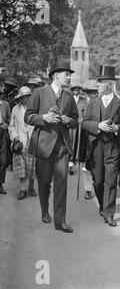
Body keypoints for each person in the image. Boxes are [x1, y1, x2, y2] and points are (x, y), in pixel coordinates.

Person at [24, 61, 79, 233]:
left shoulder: (69, 97)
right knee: (44, 183)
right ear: (56, 75)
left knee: (61, 185)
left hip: (62, 147)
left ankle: (60, 221)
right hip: (43, 147)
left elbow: (76, 120)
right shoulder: (39, 93)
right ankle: (44, 210)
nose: (69, 77)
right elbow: (28, 117)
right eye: (66, 74)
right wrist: (44, 118)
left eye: (70, 75)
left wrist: (69, 121)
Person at [82, 65, 120, 227]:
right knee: (98, 180)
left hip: (113, 148)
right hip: (96, 148)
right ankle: (102, 205)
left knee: (111, 181)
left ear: (110, 84)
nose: (97, 85)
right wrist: (98, 126)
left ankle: (109, 214)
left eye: (100, 82)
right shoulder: (92, 103)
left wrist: (117, 128)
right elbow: (85, 123)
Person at [8, 86, 37, 199]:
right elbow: (11, 125)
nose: (26, 99)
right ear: (20, 98)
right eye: (24, 97)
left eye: (28, 96)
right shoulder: (15, 109)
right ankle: (22, 189)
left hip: (32, 141)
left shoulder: (35, 109)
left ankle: (31, 186)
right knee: (21, 166)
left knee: (32, 166)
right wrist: (15, 137)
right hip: (19, 142)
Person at [69, 85, 94, 200]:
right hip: (73, 132)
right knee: (76, 157)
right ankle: (87, 189)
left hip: (85, 133)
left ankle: (89, 188)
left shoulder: (86, 102)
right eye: (74, 89)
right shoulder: (69, 100)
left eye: (78, 90)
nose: (76, 91)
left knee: (86, 163)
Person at [0, 89, 11, 194]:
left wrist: (6, 125)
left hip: (2, 135)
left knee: (3, 162)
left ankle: (0, 184)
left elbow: (9, 119)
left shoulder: (5, 104)